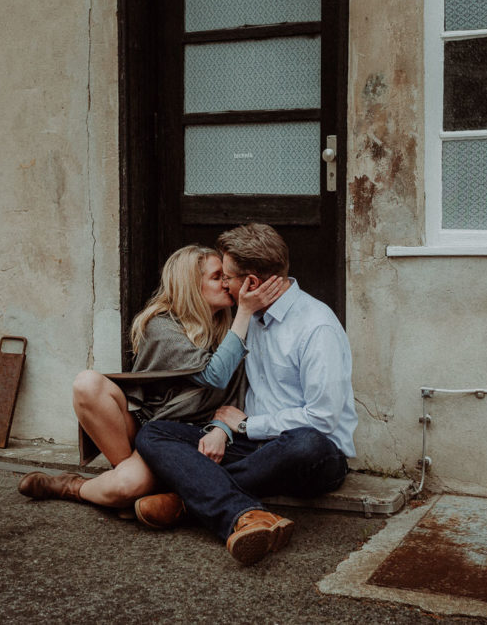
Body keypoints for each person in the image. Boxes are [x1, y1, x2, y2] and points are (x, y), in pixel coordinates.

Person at [134, 223, 357, 565]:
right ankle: (245, 514)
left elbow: (324, 419)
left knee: (304, 441)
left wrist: (244, 426)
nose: (224, 284)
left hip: (311, 455)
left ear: (250, 283)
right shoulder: (245, 319)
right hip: (252, 447)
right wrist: (223, 430)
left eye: (227, 277)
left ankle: (187, 501)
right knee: (154, 432)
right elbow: (238, 392)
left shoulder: (317, 326)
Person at [16, 244, 284, 526]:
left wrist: (220, 428)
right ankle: (81, 483)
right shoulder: (162, 326)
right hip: (151, 427)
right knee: (87, 383)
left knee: (126, 486)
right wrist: (244, 313)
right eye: (218, 277)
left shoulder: (230, 327)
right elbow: (214, 375)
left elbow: (240, 393)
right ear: (192, 286)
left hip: (193, 437)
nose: (227, 283)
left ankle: (111, 486)